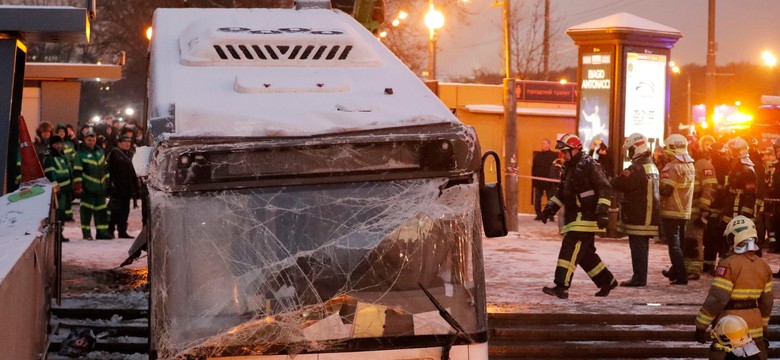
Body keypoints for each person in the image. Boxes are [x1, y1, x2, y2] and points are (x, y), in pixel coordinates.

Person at [539, 133, 618, 299]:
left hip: (586, 217)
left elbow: (605, 188)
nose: (564, 155)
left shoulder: (589, 165)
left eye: (566, 152)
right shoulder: (569, 167)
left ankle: (561, 286)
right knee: (585, 255)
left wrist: (602, 212)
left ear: (575, 150)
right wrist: (549, 209)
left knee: (569, 248)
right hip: (574, 217)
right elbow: (562, 192)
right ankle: (607, 281)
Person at [694, 216, 773, 360]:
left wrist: (701, 325)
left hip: (730, 327)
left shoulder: (728, 264)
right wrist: (763, 327)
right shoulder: (764, 267)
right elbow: (767, 303)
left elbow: (717, 299)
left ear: (734, 238)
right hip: (755, 327)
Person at [610, 133, 660, 287]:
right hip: (648, 213)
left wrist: (614, 179)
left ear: (637, 147)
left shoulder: (637, 167)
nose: (629, 152)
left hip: (639, 213)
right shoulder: (650, 164)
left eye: (630, 149)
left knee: (638, 247)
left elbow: (622, 183)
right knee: (641, 247)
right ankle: (640, 276)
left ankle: (639, 278)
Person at [659, 134, 696, 285]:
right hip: (684, 210)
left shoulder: (672, 166)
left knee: (673, 246)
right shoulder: (690, 164)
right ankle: (674, 272)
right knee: (680, 245)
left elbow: (666, 190)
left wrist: (657, 185)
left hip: (671, 210)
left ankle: (682, 276)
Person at [683, 137, 717, 281]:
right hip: (688, 208)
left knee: (695, 240)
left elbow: (709, 188)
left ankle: (695, 269)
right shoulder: (692, 163)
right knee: (687, 240)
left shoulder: (704, 164)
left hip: (697, 209)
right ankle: (685, 267)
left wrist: (704, 207)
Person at [73, 130, 111, 240]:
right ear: (85, 140)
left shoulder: (100, 152)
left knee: (101, 212)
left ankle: (102, 233)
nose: (91, 142)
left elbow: (105, 169)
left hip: (100, 189)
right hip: (87, 189)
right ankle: (86, 233)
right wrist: (78, 187)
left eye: (93, 140)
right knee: (86, 212)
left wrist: (107, 184)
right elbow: (77, 172)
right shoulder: (80, 154)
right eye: (89, 140)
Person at [107, 134, 140, 239]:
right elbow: (109, 170)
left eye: (129, 142)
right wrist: (111, 185)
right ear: (119, 143)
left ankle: (122, 231)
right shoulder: (114, 153)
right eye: (125, 142)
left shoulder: (130, 154)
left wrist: (135, 188)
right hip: (117, 188)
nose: (127, 144)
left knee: (125, 211)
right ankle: (110, 230)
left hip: (127, 188)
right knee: (115, 211)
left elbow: (134, 172)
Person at [42, 135, 73, 241]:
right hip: (58, 191)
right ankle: (56, 235)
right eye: (56, 144)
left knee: (62, 213)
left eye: (60, 143)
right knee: (58, 213)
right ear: (51, 145)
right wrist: (55, 188)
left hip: (65, 190)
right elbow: (50, 174)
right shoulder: (49, 157)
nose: (59, 146)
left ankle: (60, 234)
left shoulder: (61, 156)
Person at [532, 139, 558, 220]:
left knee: (550, 198)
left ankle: (550, 215)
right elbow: (534, 168)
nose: (542, 145)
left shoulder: (554, 156)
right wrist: (534, 180)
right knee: (537, 199)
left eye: (544, 143)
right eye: (542, 143)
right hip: (538, 181)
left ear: (549, 145)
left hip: (549, 181)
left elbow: (556, 168)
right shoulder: (538, 156)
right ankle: (538, 214)